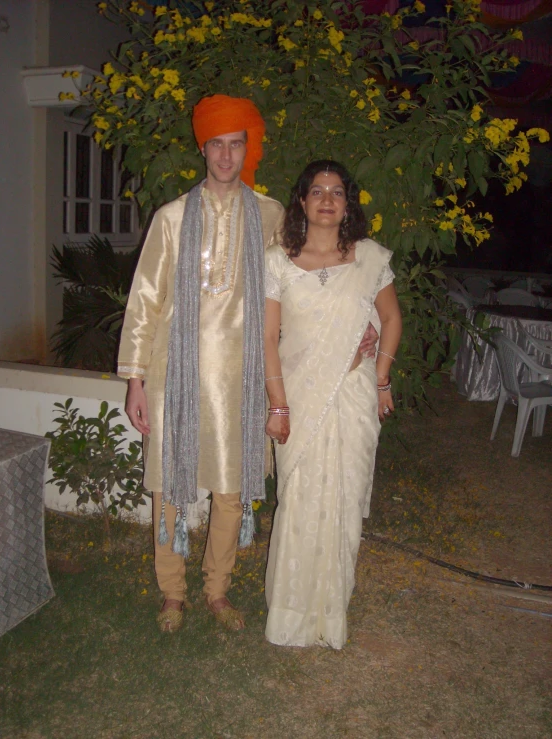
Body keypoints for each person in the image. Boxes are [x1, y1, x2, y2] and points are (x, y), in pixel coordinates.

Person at [117, 94, 285, 633]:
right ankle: (173, 593)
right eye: (217, 144)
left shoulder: (270, 215)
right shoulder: (171, 219)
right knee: (171, 488)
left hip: (240, 380)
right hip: (177, 378)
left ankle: (217, 589)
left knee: (231, 490)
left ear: (246, 149)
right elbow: (145, 299)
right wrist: (135, 380)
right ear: (203, 148)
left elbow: (293, 292)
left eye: (236, 144)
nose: (226, 155)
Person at [263, 160, 402, 649]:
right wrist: (278, 404)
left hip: (353, 394)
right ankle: (292, 613)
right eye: (317, 191)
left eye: (337, 192)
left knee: (343, 497)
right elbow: (267, 338)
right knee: (298, 498)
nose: (327, 199)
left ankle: (331, 611)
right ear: (301, 201)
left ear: (349, 203)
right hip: (298, 397)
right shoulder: (277, 260)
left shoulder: (368, 258)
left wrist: (381, 376)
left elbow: (391, 319)